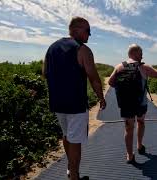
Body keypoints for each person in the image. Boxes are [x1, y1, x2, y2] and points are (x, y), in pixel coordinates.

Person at [42, 17, 106, 180]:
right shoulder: (83, 49)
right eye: (88, 31)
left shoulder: (51, 48)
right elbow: (94, 78)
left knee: (66, 136)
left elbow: (45, 73)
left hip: (57, 103)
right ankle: (75, 176)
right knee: (75, 141)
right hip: (76, 104)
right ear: (77, 29)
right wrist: (101, 98)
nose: (89, 35)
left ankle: (70, 168)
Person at [108, 44, 157, 164]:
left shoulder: (119, 66)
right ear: (135, 53)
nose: (142, 56)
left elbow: (110, 82)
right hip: (141, 103)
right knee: (141, 122)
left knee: (128, 129)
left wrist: (124, 90)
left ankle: (129, 156)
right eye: (140, 53)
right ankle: (140, 145)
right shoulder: (143, 67)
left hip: (126, 104)